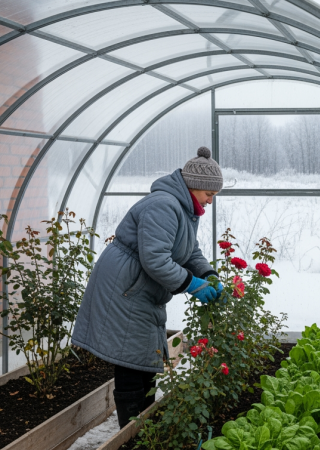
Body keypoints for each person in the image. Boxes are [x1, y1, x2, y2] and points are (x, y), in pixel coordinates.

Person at [72, 147, 225, 428]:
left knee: (145, 357)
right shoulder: (164, 205)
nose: (210, 201)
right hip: (125, 288)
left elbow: (189, 250)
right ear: (196, 185)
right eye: (209, 195)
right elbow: (155, 259)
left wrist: (208, 273)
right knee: (131, 359)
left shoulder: (186, 209)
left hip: (139, 287)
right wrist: (192, 284)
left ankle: (144, 427)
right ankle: (131, 434)